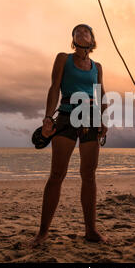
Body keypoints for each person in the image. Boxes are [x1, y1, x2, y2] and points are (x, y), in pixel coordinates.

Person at [30, 24, 108, 247]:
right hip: (66, 116)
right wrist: (47, 117)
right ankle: (42, 232)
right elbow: (55, 87)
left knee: (89, 175)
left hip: (91, 119)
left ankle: (91, 231)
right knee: (57, 174)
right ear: (73, 39)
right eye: (77, 31)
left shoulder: (97, 66)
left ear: (92, 39)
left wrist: (103, 119)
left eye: (86, 31)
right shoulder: (63, 58)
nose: (81, 33)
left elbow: (100, 93)